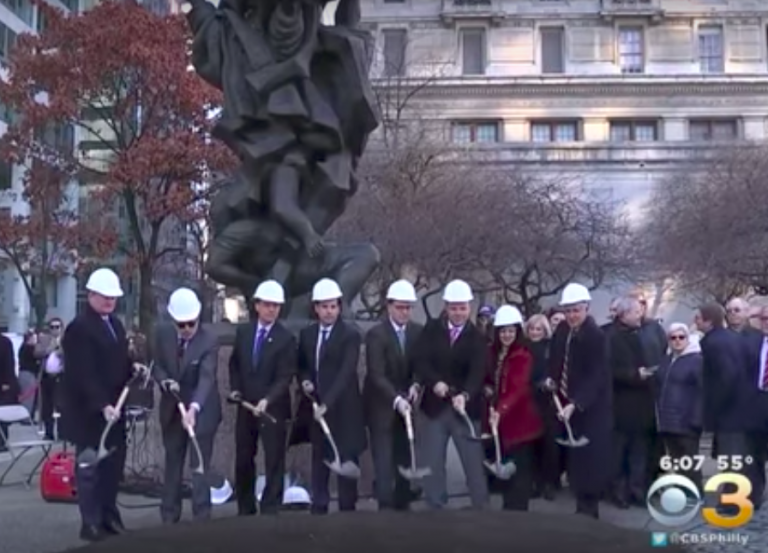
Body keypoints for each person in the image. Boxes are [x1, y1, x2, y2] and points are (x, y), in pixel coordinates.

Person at [60, 267, 142, 542]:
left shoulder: (116, 325)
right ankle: (90, 521)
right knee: (90, 469)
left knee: (112, 468)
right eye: (105, 296)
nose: (110, 301)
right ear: (92, 295)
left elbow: (118, 362)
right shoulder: (79, 329)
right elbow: (83, 373)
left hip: (115, 411)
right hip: (90, 414)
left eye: (113, 297)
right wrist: (102, 404)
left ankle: (109, 515)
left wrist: (134, 368)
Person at [413, 279, 489, 510]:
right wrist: (434, 382)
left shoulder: (477, 337)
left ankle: (482, 512)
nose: (458, 313)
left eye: (463, 307)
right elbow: (421, 361)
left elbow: (478, 372)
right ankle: (436, 511)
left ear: (470, 307)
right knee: (433, 464)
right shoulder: (432, 329)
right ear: (446, 307)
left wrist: (465, 395)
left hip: (465, 410)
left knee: (473, 465)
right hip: (434, 409)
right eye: (454, 307)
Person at [297, 278, 366, 515]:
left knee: (346, 456)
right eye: (324, 306)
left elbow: (346, 373)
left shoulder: (350, 335)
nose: (329, 311)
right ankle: (319, 505)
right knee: (320, 459)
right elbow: (303, 365)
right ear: (316, 308)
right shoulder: (307, 334)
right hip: (317, 408)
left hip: (344, 409)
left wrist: (327, 403)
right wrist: (305, 380)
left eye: (334, 306)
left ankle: (348, 508)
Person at [153, 287, 221, 524]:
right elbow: (157, 366)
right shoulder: (162, 334)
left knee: (199, 465)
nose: (187, 330)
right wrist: (164, 381)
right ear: (172, 321)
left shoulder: (209, 340)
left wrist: (194, 408)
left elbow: (207, 377)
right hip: (172, 409)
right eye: (181, 325)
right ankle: (169, 516)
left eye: (191, 324)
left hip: (202, 411)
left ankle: (202, 516)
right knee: (173, 462)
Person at [229, 280, 296, 516]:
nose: (272, 310)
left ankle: (270, 507)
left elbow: (285, 375)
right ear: (256, 305)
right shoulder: (244, 333)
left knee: (274, 459)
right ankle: (245, 507)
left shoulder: (285, 338)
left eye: (276, 306)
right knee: (244, 457)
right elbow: (235, 365)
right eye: (267, 305)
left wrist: (268, 399)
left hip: (273, 409)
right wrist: (235, 389)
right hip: (246, 408)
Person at [545, 283, 612, 519]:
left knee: (589, 462)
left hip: (590, 409)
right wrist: (550, 381)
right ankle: (579, 508)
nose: (573, 315)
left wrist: (576, 403)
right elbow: (554, 362)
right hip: (565, 406)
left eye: (577, 310)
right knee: (574, 462)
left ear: (587, 309)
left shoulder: (596, 336)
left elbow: (597, 376)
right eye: (569, 310)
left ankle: (589, 512)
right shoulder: (562, 332)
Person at [363, 279, 423, 511]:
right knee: (384, 461)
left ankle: (403, 505)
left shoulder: (417, 331)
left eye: (408, 307)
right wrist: (396, 399)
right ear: (389, 306)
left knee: (404, 457)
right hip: (382, 407)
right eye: (400, 307)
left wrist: (416, 386)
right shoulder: (376, 335)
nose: (404, 312)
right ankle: (385, 508)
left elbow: (420, 365)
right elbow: (376, 373)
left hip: (407, 405)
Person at [486, 305, 542, 511]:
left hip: (521, 422)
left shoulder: (523, 355)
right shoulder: (494, 353)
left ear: (517, 331)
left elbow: (518, 388)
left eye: (511, 331)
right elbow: (491, 380)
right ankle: (509, 510)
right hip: (502, 422)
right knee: (506, 470)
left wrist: (501, 409)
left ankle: (519, 513)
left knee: (520, 471)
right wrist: (487, 390)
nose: (507, 335)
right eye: (503, 331)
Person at [607, 296, 656, 508]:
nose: (640, 315)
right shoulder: (611, 337)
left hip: (642, 404)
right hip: (621, 404)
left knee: (639, 452)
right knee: (619, 453)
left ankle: (637, 491)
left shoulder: (642, 333)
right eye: (636, 312)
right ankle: (619, 492)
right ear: (624, 314)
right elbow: (608, 371)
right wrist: (635, 375)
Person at [655, 323, 703, 490]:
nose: (677, 341)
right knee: (676, 460)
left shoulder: (696, 361)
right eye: (673, 337)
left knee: (689, 460)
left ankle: (696, 493)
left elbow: (702, 392)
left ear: (687, 339)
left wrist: (697, 419)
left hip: (687, 420)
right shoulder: (666, 361)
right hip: (667, 420)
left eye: (681, 337)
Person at [524, 314, 558, 500]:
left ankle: (548, 484)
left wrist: (549, 382)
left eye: (539, 329)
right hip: (528, 400)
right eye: (532, 329)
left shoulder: (550, 349)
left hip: (547, 402)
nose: (535, 332)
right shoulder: (523, 349)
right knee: (531, 445)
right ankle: (534, 483)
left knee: (548, 445)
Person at [741, 304, 768, 508]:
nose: (765, 322)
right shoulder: (756, 342)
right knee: (754, 452)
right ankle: (754, 496)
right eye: (763, 318)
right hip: (757, 403)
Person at [35, 318, 64, 440]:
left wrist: (62, 352)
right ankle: (49, 433)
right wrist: (50, 349)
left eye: (57, 327)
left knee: (61, 405)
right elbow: (37, 353)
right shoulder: (44, 340)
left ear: (61, 328)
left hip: (61, 377)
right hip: (46, 377)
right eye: (52, 327)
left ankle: (63, 433)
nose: (55, 330)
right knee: (47, 406)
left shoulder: (66, 340)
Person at [0, 332, 19, 452]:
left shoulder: (5, 342)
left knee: (2, 415)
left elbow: (9, 363)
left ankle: (2, 441)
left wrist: (7, 382)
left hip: (3, 384)